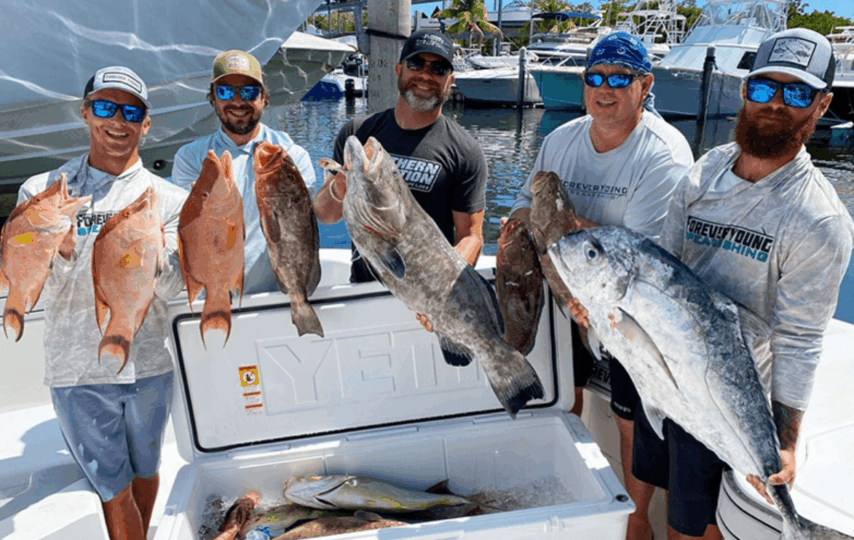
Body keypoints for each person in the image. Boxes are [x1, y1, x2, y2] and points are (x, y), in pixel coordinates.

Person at [622, 28, 854, 540]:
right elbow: (661, 267)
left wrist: (786, 440)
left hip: (725, 396)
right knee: (648, 484)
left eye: (795, 93)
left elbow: (799, 338)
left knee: (695, 526)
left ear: (821, 105)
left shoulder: (819, 219)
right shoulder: (706, 169)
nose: (775, 104)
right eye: (763, 87)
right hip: (661, 367)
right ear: (744, 89)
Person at [506, 32, 694, 540]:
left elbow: (640, 252)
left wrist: (558, 222)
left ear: (644, 85)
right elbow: (525, 205)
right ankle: (572, 497)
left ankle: (633, 524)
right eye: (595, 76)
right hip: (564, 290)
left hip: (632, 307)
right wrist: (535, 221)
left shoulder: (663, 154)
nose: (604, 89)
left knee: (630, 419)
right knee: (564, 395)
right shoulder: (560, 140)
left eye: (619, 78)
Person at [17, 66, 188, 540]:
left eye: (131, 110)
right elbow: (28, 279)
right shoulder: (43, 192)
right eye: (106, 107)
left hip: (149, 361)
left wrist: (154, 259)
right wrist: (55, 251)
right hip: (78, 369)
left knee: (145, 471)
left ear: (146, 123)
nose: (118, 120)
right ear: (86, 112)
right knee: (113, 489)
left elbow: (175, 289)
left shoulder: (170, 200)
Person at [312, 30, 488, 331]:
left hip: (429, 303)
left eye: (439, 68)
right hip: (364, 295)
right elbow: (326, 215)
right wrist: (342, 184)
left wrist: (444, 289)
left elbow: (470, 236)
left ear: (451, 80)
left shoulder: (465, 151)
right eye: (416, 64)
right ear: (399, 69)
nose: (426, 75)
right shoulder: (358, 131)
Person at [170, 49, 316, 295]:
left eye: (248, 91)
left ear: (264, 98)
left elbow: (304, 233)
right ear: (213, 99)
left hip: (276, 298)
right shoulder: (191, 158)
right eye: (225, 91)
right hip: (215, 299)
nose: (237, 101)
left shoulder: (292, 157)